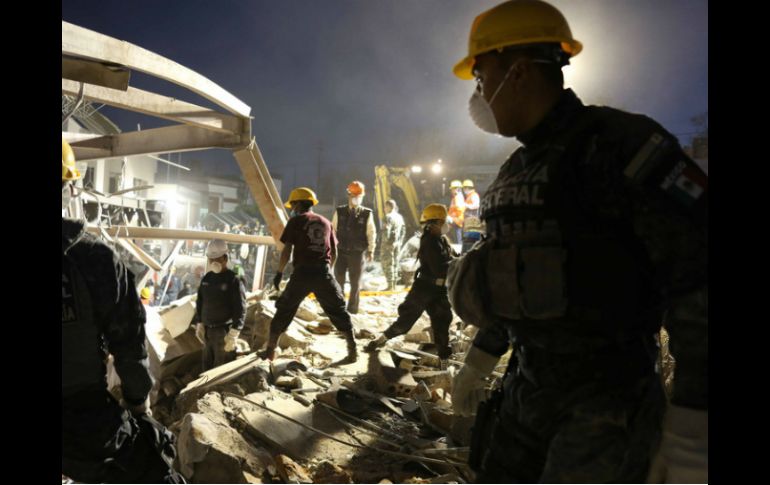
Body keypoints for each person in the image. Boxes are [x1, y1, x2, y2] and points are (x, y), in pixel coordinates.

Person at [447, 1, 707, 482]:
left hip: (607, 411)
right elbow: (510, 282)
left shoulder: (621, 146)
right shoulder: (513, 172)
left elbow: (698, 281)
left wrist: (695, 421)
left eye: (481, 77)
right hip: (526, 396)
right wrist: (481, 358)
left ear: (518, 71)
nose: (479, 94)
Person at [62, 138, 184, 483]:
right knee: (154, 465)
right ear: (70, 189)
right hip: (82, 415)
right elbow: (128, 343)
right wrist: (137, 401)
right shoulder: (93, 259)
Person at [260, 187, 358, 363]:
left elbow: (287, 250)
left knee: (284, 310)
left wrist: (279, 272)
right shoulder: (326, 222)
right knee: (338, 310)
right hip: (322, 272)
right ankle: (352, 351)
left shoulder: (295, 221)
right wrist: (328, 272)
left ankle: (270, 351)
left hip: (302, 274)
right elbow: (334, 252)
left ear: (298, 204)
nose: (292, 209)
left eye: (293, 205)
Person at [365, 204, 457, 369]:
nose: (446, 225)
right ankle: (380, 340)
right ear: (435, 223)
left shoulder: (442, 240)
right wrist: (458, 263)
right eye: (443, 221)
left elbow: (452, 258)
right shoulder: (429, 241)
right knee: (405, 321)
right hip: (424, 289)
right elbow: (440, 267)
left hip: (438, 290)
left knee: (442, 324)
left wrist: (459, 259)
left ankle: (444, 360)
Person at [194, 239, 246, 372]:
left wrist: (234, 332)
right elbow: (200, 301)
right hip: (208, 332)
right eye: (211, 259)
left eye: (217, 258)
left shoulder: (233, 280)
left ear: (225, 258)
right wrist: (199, 322)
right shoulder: (207, 278)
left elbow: (240, 308)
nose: (214, 262)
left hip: (224, 333)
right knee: (206, 369)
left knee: (220, 371)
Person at [331, 180, 377, 313]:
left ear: (362, 197)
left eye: (359, 196)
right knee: (338, 281)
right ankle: (338, 307)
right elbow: (333, 230)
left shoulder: (367, 213)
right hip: (340, 251)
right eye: (354, 196)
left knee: (355, 283)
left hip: (357, 253)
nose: (356, 198)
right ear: (349, 196)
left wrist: (371, 250)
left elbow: (371, 233)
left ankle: (352, 308)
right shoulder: (339, 211)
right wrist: (332, 248)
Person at [379, 199, 406, 290]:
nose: (384, 209)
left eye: (385, 207)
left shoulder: (387, 217)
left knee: (387, 264)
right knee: (395, 263)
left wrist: (386, 243)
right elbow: (403, 231)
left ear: (389, 207)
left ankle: (390, 286)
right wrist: (399, 242)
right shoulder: (399, 217)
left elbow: (386, 231)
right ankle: (394, 285)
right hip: (397, 243)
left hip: (388, 244)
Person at [447, 180, 465, 244]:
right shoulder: (456, 197)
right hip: (455, 219)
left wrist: (451, 217)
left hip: (456, 219)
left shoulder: (458, 197)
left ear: (457, 189)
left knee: (457, 236)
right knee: (457, 235)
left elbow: (459, 209)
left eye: (452, 189)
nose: (451, 191)